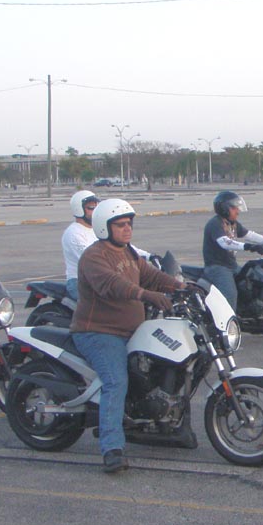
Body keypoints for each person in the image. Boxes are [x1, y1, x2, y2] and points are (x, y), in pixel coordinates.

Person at [71, 198, 185, 473]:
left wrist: (182, 287)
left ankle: (170, 426)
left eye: (129, 224)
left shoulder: (129, 253)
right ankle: (112, 449)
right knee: (116, 381)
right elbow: (112, 285)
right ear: (104, 227)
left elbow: (153, 276)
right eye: (120, 225)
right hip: (99, 332)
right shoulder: (94, 257)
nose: (127, 229)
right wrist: (146, 295)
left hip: (131, 330)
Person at [202, 191, 263, 331]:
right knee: (231, 294)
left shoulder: (232, 224)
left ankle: (252, 317)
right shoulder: (215, 224)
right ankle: (226, 328)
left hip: (231, 266)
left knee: (250, 285)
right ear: (224, 208)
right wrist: (248, 247)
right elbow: (225, 242)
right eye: (234, 208)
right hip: (217, 268)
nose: (237, 211)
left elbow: (249, 234)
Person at [62, 190, 100, 301]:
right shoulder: (74, 233)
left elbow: (122, 246)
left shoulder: (99, 229)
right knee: (104, 306)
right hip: (79, 282)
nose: (95, 212)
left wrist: (145, 256)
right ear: (79, 210)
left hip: (97, 279)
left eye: (96, 208)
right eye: (91, 208)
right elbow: (92, 260)